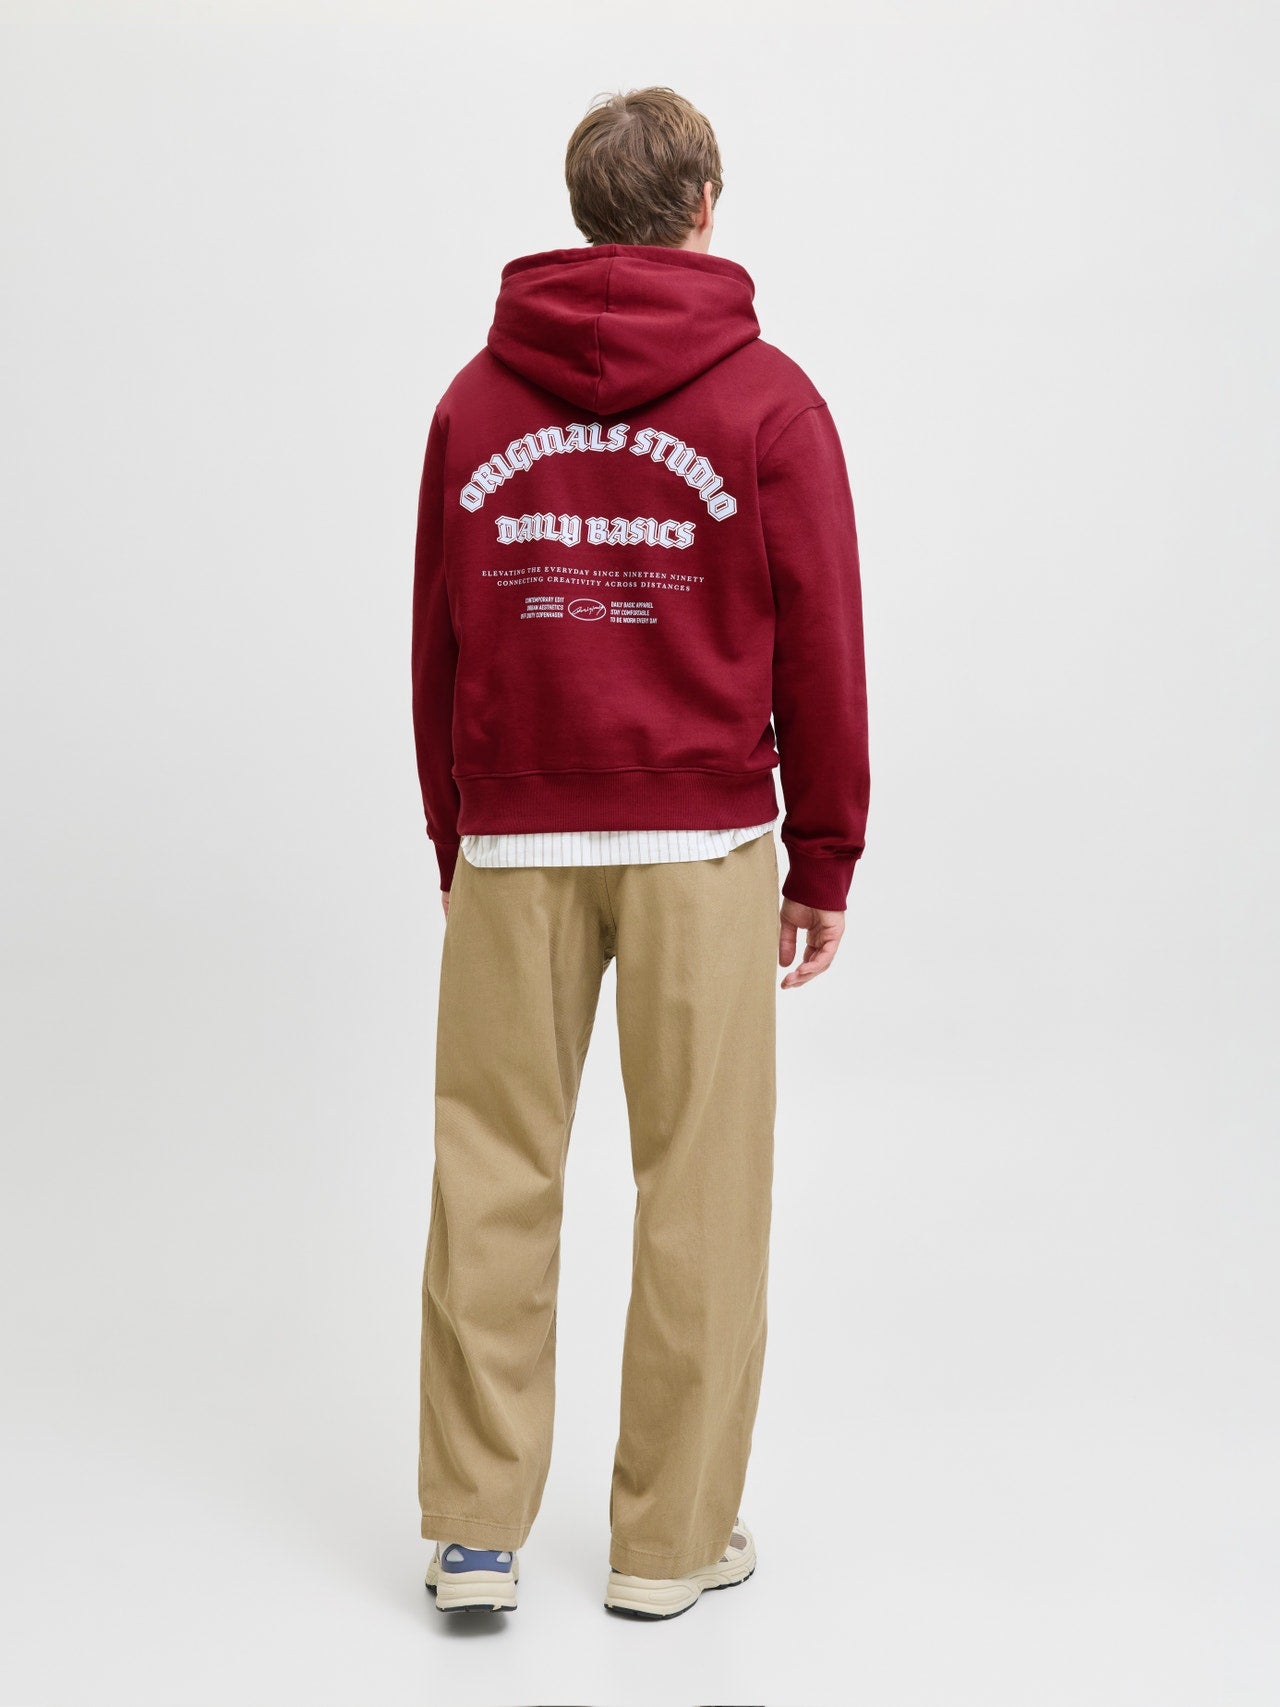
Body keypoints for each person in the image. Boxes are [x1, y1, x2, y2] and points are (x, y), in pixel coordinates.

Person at [410, 85, 870, 1619]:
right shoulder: (770, 405)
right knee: (702, 1191)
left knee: (490, 1175)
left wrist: (455, 831)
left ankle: (475, 1539)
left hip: (514, 843)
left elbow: (435, 637)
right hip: (706, 847)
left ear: (580, 208)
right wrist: (826, 858)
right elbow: (824, 645)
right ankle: (667, 1551)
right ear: (706, 206)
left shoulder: (476, 405)